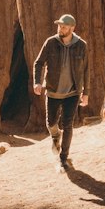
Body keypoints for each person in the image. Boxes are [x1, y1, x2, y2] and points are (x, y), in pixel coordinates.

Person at [32, 13, 88, 171]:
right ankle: (56, 136)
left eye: (64, 26)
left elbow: (86, 70)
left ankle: (63, 158)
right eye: (59, 26)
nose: (60, 29)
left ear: (72, 28)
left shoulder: (81, 45)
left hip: (73, 92)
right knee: (51, 124)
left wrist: (86, 93)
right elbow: (38, 63)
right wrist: (37, 82)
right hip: (52, 90)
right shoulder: (50, 43)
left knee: (68, 124)